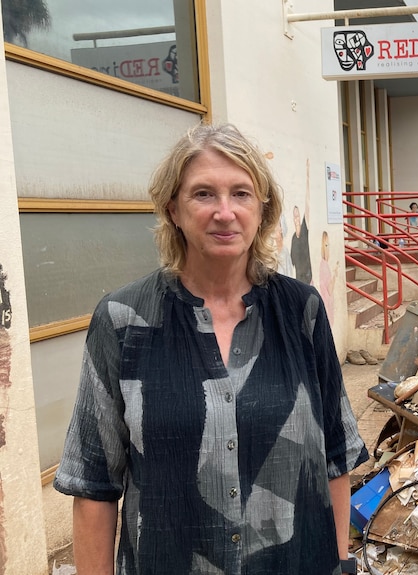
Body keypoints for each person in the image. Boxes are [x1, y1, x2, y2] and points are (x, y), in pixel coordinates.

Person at [53, 123, 369, 575]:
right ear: (173, 210)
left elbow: (334, 459)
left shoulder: (303, 312)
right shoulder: (123, 320)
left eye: (241, 193)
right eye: (203, 194)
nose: (225, 212)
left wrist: (340, 563)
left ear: (262, 209)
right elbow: (93, 485)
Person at [291, 159, 313, 284]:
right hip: (299, 280)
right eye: (294, 216)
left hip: (309, 277)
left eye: (298, 216)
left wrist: (308, 176)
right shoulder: (293, 238)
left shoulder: (305, 228)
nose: (296, 219)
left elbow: (307, 204)